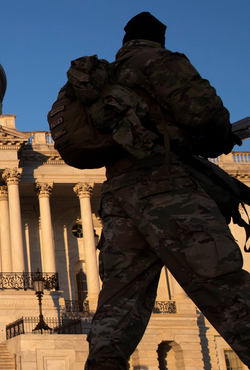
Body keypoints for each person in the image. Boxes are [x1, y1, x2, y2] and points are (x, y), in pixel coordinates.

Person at [85, 12, 250, 369]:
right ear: (157, 38)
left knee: (119, 302)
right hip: (166, 189)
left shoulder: (102, 78)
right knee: (223, 284)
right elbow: (205, 113)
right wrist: (219, 136)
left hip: (117, 198)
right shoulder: (158, 61)